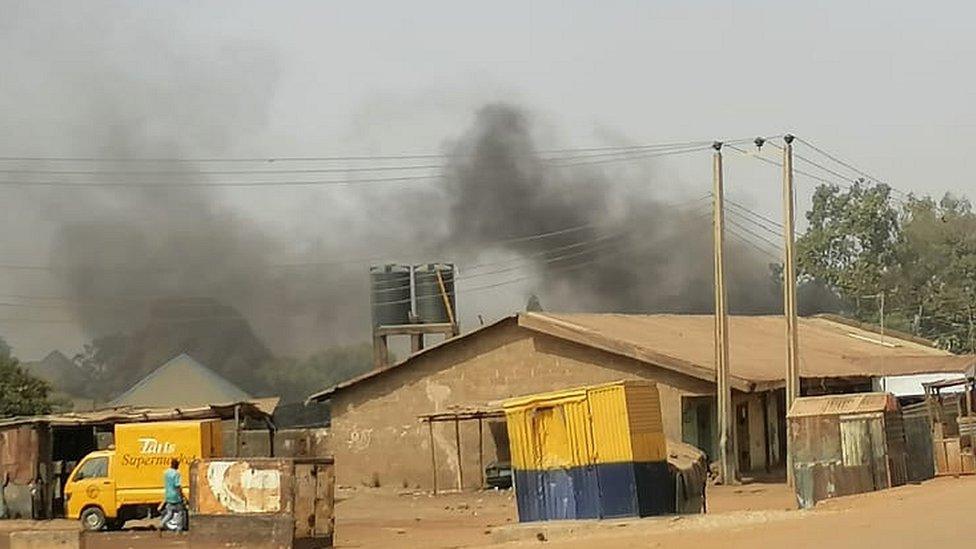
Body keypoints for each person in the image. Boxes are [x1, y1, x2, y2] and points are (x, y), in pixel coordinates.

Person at [159, 458, 186, 531]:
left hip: (168, 495)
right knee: (180, 512)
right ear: (177, 465)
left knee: (169, 513)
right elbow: (177, 486)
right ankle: (179, 529)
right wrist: (182, 496)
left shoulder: (166, 473)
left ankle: (161, 524)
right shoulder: (176, 474)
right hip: (175, 496)